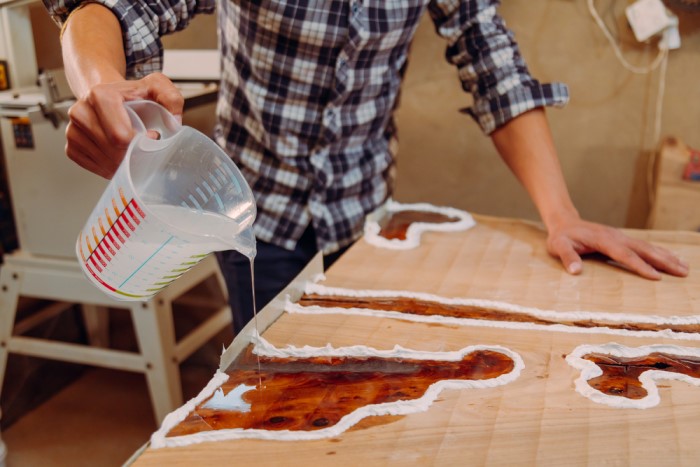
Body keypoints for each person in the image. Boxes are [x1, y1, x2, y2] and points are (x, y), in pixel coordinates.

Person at [44, 0, 688, 334]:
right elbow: (108, 6)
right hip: (254, 216)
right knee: (276, 397)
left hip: (364, 215)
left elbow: (492, 62)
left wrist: (561, 215)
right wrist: (102, 86)